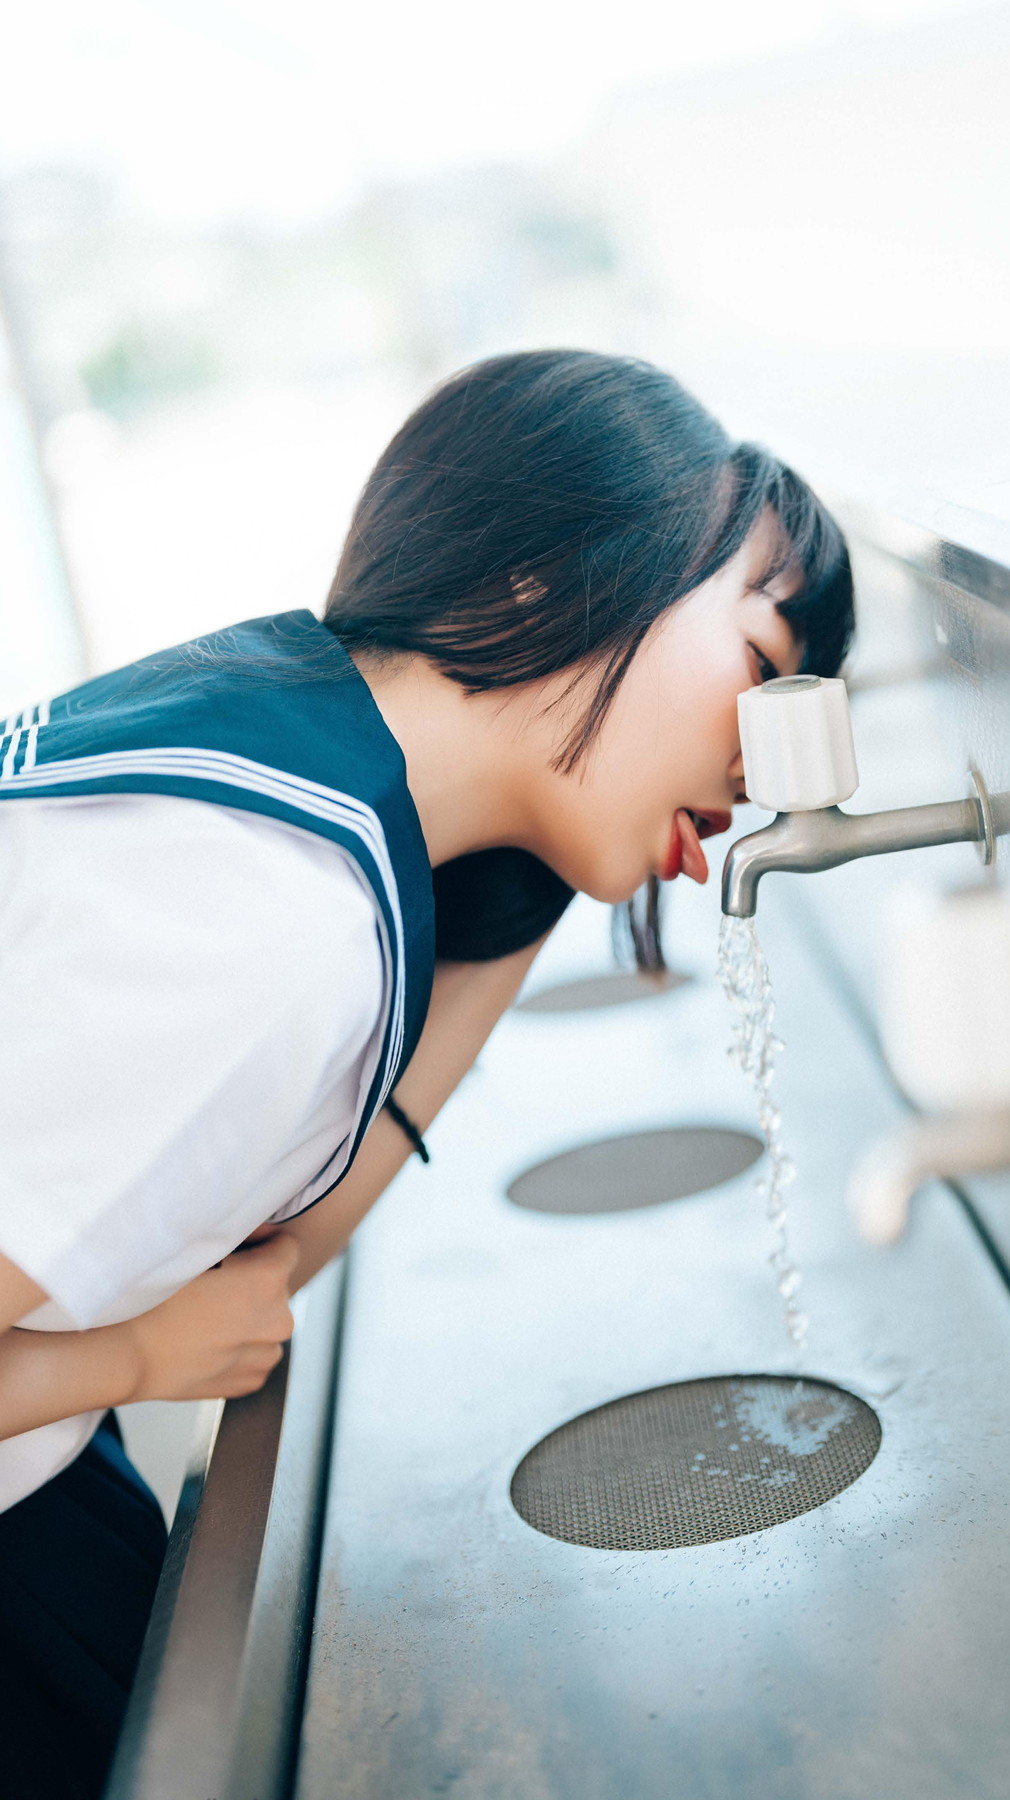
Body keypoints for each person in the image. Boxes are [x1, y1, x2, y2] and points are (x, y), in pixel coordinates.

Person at [0, 348, 853, 1798]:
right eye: (763, 668)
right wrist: (128, 1363)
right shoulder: (265, 921)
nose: (763, 763)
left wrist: (557, 858)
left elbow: (277, 1250)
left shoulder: (292, 749)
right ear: (547, 584)